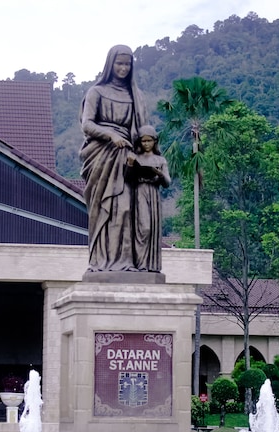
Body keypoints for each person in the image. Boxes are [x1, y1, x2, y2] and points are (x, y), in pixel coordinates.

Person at [80, 45, 148, 272]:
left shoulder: (135, 96)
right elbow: (87, 124)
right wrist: (110, 135)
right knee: (102, 208)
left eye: (127, 64)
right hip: (101, 156)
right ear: (111, 64)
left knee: (126, 208)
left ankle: (125, 261)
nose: (123, 68)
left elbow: (142, 130)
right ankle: (100, 261)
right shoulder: (96, 92)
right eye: (119, 63)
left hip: (127, 157)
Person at [127, 125, 171, 272]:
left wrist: (159, 174)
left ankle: (151, 265)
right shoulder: (136, 157)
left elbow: (167, 183)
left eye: (149, 141)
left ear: (155, 141)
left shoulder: (160, 159)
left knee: (152, 229)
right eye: (143, 141)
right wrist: (130, 165)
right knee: (143, 227)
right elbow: (127, 178)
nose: (146, 144)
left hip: (154, 193)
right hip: (140, 192)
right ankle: (140, 264)